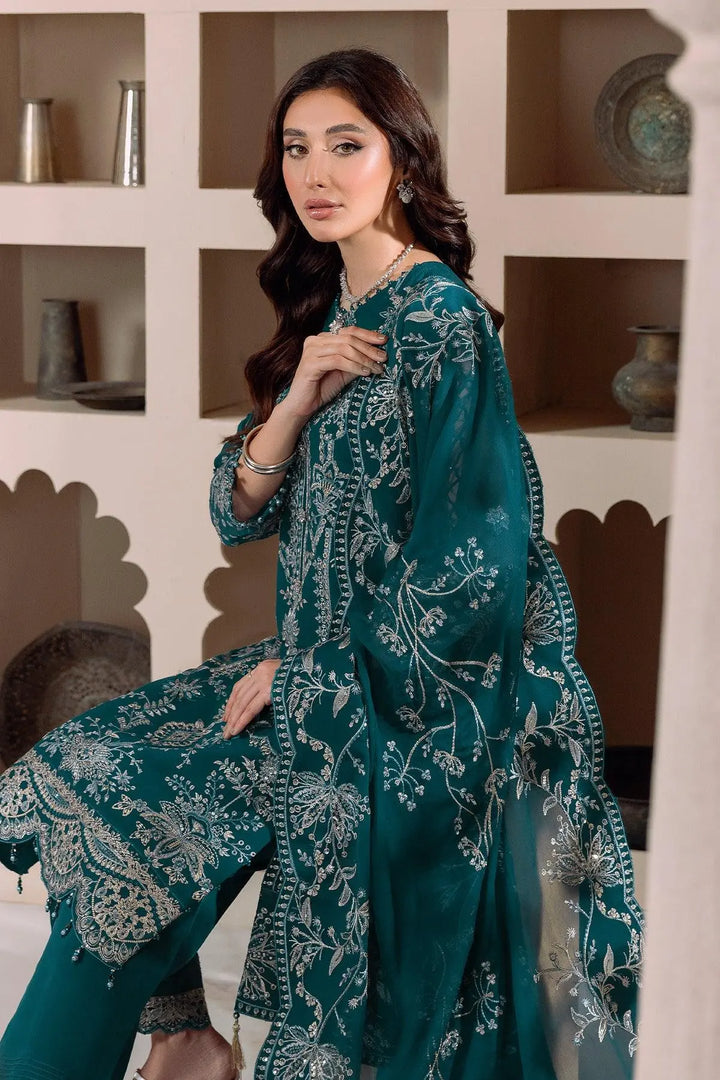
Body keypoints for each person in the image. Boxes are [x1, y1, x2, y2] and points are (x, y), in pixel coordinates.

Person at [0, 46, 644, 1080]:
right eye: (296, 148)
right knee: (94, 764)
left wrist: (315, 675)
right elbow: (235, 506)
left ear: (404, 160)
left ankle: (171, 1048)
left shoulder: (438, 323)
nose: (316, 173)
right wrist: (295, 402)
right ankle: (183, 1035)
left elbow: (473, 564)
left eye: (347, 145)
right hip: (328, 668)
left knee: (144, 801)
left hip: (421, 699)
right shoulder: (338, 307)